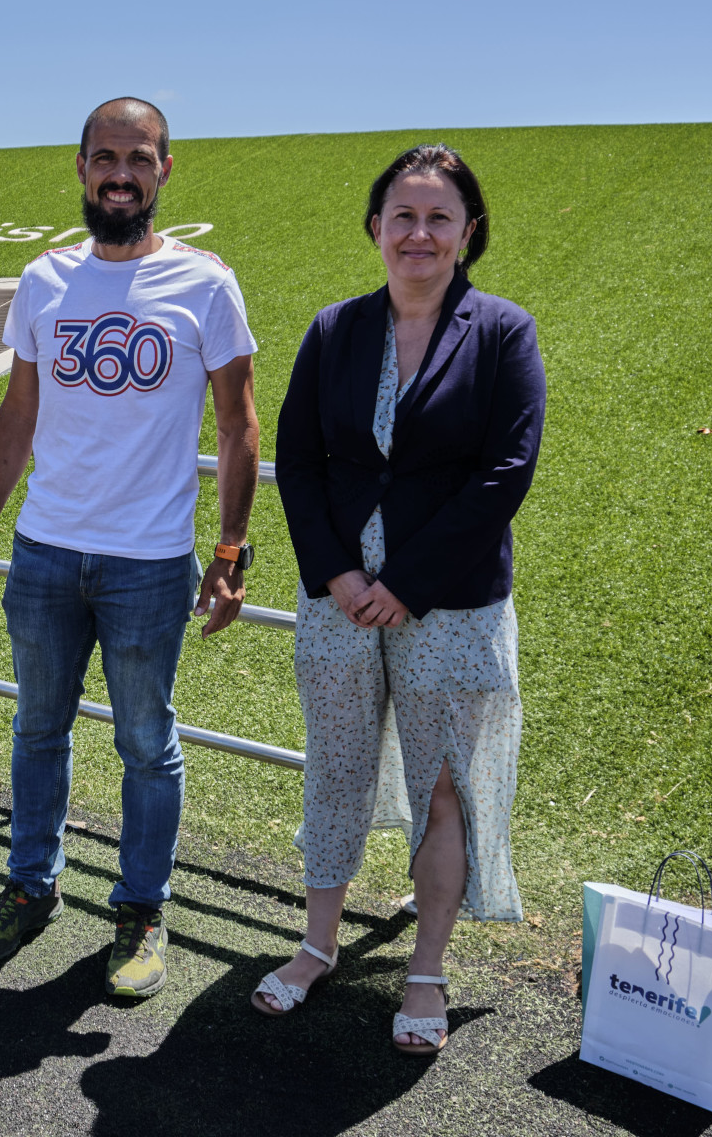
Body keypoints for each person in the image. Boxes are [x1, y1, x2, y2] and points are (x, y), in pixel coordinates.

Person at [0, 97, 262, 998]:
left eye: (138, 157)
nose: (119, 173)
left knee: (145, 742)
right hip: (46, 551)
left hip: (148, 562)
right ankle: (29, 886)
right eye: (103, 157)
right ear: (81, 168)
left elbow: (239, 426)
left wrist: (233, 548)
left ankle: (141, 909)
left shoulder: (207, 284)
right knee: (37, 729)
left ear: (165, 171)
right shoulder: (44, 279)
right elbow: (19, 410)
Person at [257, 145, 546, 1053]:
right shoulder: (335, 330)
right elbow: (298, 461)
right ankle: (316, 946)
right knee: (335, 765)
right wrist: (341, 573)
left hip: (450, 604)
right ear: (377, 228)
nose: (418, 233)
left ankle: (426, 971)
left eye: (439, 217)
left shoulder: (502, 331)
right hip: (338, 599)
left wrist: (408, 585)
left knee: (447, 787)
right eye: (403, 216)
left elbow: (506, 471)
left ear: (468, 234)